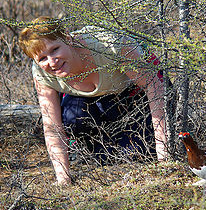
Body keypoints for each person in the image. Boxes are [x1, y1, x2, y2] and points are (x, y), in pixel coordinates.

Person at [19, 16, 167, 185]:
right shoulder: (41, 72)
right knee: (76, 124)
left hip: (137, 92)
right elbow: (52, 126)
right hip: (96, 99)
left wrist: (164, 156)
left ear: (68, 38)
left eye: (55, 50)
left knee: (134, 153)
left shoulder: (110, 46)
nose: (52, 62)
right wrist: (63, 178)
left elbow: (155, 88)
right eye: (42, 58)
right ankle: (92, 146)